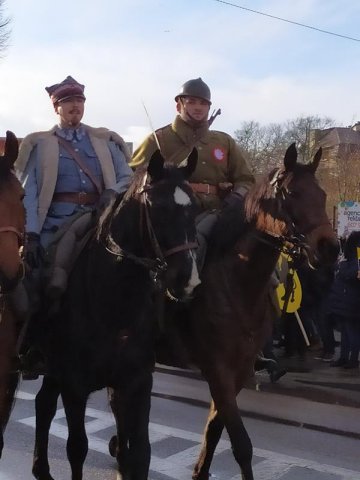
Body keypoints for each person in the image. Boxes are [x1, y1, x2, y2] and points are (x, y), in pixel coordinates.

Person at [14, 75, 133, 377]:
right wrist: (32, 233)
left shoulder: (105, 142)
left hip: (100, 218)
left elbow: (126, 178)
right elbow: (28, 191)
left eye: (78, 101)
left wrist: (111, 193)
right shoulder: (41, 144)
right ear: (56, 108)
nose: (74, 107)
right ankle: (32, 345)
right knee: (37, 275)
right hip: (57, 221)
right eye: (67, 102)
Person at [131, 77, 255, 267]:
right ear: (178, 106)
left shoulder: (224, 141)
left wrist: (236, 196)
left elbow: (246, 179)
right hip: (176, 215)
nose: (198, 107)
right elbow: (133, 177)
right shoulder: (159, 139)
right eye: (191, 102)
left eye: (203, 103)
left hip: (220, 211)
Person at [326, 231, 360, 369]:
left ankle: (352, 359)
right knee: (345, 332)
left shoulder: (354, 261)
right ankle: (344, 357)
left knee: (352, 332)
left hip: (352, 301)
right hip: (345, 300)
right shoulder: (348, 259)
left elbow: (351, 274)